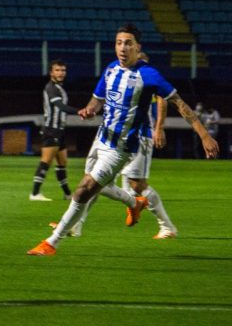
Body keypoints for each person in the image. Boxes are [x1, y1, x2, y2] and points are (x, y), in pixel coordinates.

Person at [28, 24, 219, 255]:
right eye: (119, 43)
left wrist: (204, 135)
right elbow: (97, 100)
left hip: (121, 146)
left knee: (84, 189)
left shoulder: (148, 75)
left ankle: (52, 242)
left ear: (138, 47)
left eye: (128, 43)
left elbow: (179, 103)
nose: (122, 48)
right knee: (96, 187)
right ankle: (133, 203)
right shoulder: (110, 69)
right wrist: (89, 110)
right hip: (101, 138)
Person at [63, 52, 178, 239]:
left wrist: (159, 128)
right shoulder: (118, 75)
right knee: (93, 180)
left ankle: (166, 226)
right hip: (114, 137)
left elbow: (162, 100)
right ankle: (76, 224)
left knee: (136, 185)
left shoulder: (148, 77)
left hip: (139, 135)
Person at [29, 59, 78, 201]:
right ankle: (35, 193)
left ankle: (67, 194)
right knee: (46, 161)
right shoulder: (51, 88)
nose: (61, 73)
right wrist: (80, 111)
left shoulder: (59, 87)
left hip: (59, 131)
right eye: (57, 70)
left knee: (62, 163)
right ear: (51, 72)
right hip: (51, 130)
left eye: (63, 70)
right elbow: (61, 106)